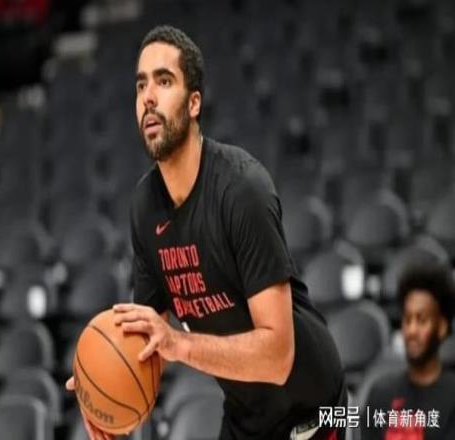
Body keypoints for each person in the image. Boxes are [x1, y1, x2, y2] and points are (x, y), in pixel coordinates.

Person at [67, 25, 346, 440]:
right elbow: (148, 342)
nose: (148, 97)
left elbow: (278, 356)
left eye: (164, 81)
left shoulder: (241, 189)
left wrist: (178, 344)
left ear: (194, 102)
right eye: (141, 85)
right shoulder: (145, 206)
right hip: (246, 413)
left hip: (311, 409)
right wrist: (99, 387)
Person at [362, 263, 455, 440]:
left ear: (442, 327)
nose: (412, 330)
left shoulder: (452, 396)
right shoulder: (380, 394)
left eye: (421, 320)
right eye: (407, 319)